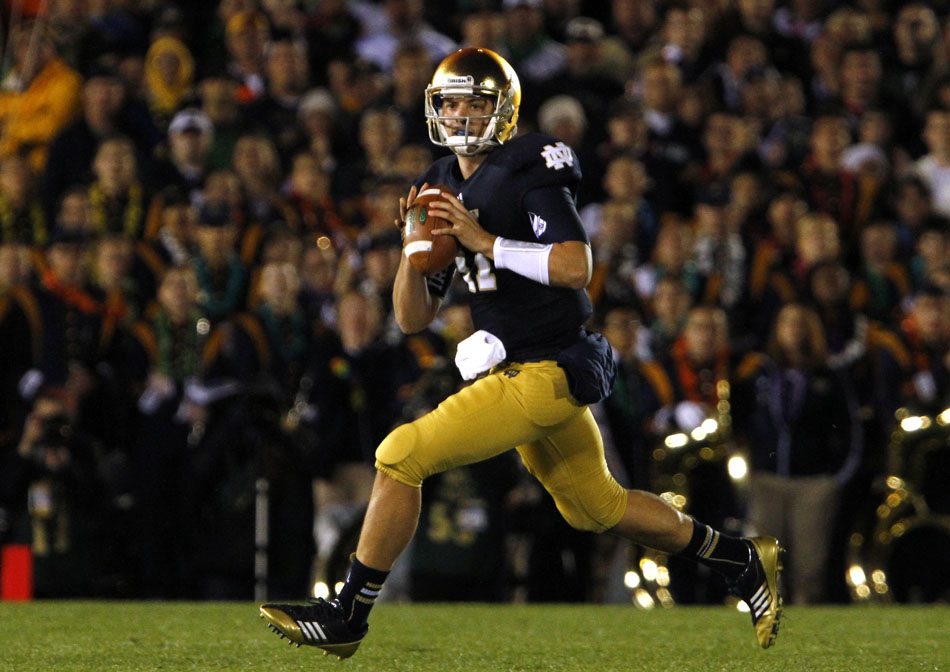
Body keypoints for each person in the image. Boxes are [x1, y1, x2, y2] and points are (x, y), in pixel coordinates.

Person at [259, 47, 782, 658]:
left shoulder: (527, 165)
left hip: (543, 371)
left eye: (474, 103)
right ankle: (743, 559)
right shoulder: (437, 182)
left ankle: (348, 613)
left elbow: (574, 265)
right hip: (526, 371)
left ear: (502, 111)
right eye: (449, 103)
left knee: (399, 456)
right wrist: (413, 252)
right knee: (598, 507)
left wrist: (486, 241)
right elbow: (411, 317)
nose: (459, 115)